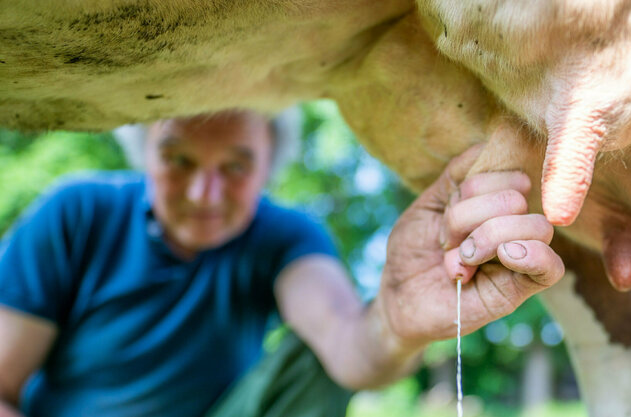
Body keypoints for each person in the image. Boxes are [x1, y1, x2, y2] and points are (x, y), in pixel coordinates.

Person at [0, 109, 564, 417]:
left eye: (237, 166)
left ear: (270, 163)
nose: (204, 191)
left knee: (316, 355)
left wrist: (396, 323)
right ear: (144, 146)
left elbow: (347, 348)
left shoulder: (284, 235)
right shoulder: (77, 212)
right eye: (179, 158)